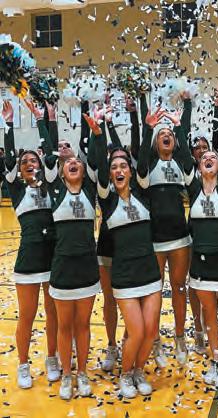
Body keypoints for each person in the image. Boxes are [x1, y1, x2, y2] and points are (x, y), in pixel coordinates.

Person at [26, 99, 101, 400]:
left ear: (83, 170)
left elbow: (94, 155)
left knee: (83, 325)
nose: (73, 164)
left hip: (87, 269)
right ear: (61, 169)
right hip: (62, 268)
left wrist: (96, 129)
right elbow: (49, 155)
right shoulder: (55, 190)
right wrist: (47, 119)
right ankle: (67, 375)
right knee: (64, 326)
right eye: (69, 163)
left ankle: (82, 372)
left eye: (78, 163)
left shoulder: (91, 191)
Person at [89, 109, 163, 398]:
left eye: (124, 166)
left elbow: (143, 160)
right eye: (114, 168)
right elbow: (99, 165)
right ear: (110, 174)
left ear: (130, 172)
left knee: (150, 331)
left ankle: (138, 371)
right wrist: (98, 134)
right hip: (124, 275)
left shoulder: (143, 194)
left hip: (149, 274)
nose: (119, 170)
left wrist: (147, 128)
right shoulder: (107, 202)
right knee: (137, 331)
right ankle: (125, 373)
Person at [183, 102, 218, 390]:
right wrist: (183, 114)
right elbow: (183, 154)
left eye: (213, 157)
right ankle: (215, 359)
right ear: (198, 164)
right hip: (201, 263)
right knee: (209, 314)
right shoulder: (193, 188)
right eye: (203, 156)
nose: (208, 158)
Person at [2, 100, 59, 389]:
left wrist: (43, 120)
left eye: (33, 160)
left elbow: (51, 154)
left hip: (52, 258)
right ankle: (23, 364)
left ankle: (52, 358)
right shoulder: (16, 189)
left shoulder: (51, 187)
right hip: (28, 260)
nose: (29, 164)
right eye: (24, 162)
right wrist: (9, 124)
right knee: (27, 315)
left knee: (53, 314)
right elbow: (9, 161)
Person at [137, 101, 193, 367]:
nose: (166, 135)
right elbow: (140, 166)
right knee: (155, 292)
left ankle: (180, 338)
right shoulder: (149, 165)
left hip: (180, 238)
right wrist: (149, 128)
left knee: (179, 288)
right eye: (161, 134)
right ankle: (156, 340)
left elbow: (189, 162)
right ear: (156, 142)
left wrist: (179, 125)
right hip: (155, 239)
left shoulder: (181, 164)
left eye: (169, 133)